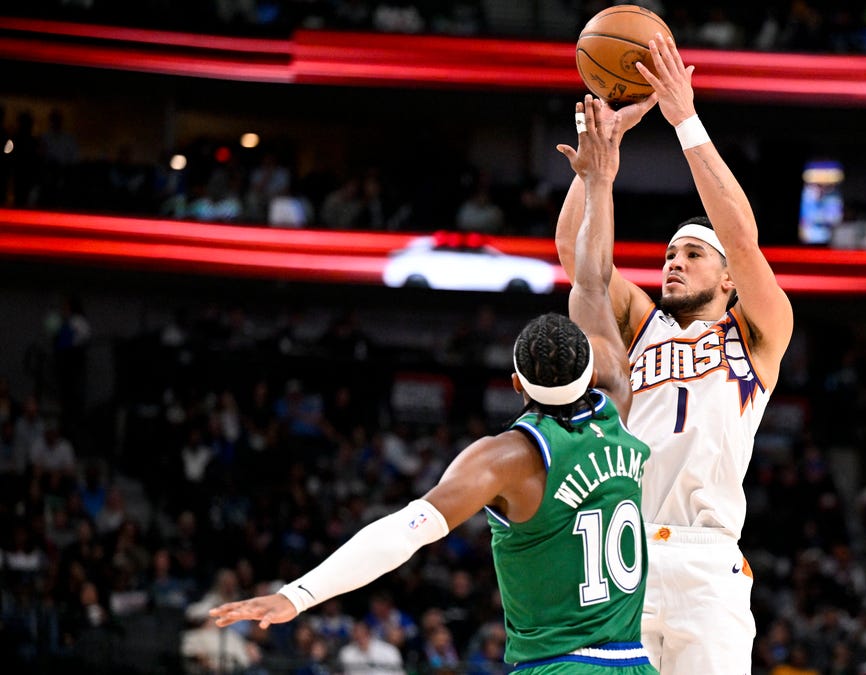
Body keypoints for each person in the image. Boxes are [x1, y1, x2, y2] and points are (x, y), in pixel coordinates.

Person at [210, 95, 658, 674]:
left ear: (516, 383)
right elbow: (593, 284)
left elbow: (404, 533)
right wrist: (601, 178)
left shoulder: (507, 458)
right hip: (634, 662)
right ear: (592, 369)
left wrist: (297, 595)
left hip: (556, 665)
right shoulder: (617, 401)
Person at [553, 33, 794, 674]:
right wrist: (601, 160)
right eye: (668, 256)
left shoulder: (758, 332)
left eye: (692, 255)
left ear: (729, 280)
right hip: (622, 550)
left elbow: (743, 241)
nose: (674, 263)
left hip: (706, 561)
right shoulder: (641, 326)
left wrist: (684, 119)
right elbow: (577, 259)